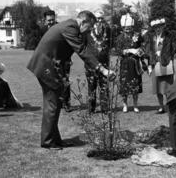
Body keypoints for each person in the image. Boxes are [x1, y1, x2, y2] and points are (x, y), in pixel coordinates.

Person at [27, 10, 116, 150]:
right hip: (45, 66)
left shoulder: (70, 26)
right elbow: (82, 50)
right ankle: (48, 141)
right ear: (83, 22)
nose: (91, 30)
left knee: (55, 103)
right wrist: (102, 69)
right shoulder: (71, 28)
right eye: (90, 26)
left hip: (47, 66)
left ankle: (55, 139)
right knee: (52, 104)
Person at [144, 18, 176, 114]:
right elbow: (147, 50)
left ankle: (169, 105)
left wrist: (164, 53)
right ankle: (161, 106)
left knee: (168, 87)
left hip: (166, 62)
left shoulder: (170, 36)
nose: (158, 29)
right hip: (155, 64)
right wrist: (151, 59)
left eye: (160, 26)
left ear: (163, 26)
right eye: (155, 27)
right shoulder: (151, 37)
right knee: (157, 87)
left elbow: (174, 49)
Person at [85, 10, 111, 113]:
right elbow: (83, 45)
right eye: (98, 18)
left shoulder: (108, 29)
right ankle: (91, 109)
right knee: (91, 86)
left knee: (104, 86)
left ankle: (105, 108)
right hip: (91, 63)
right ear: (94, 19)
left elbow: (110, 43)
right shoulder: (87, 30)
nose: (99, 20)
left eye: (101, 18)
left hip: (104, 63)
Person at [116, 25, 146, 113]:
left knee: (135, 83)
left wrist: (138, 51)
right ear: (123, 27)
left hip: (135, 63)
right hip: (125, 63)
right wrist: (129, 50)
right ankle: (125, 105)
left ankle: (135, 105)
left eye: (129, 27)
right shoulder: (120, 37)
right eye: (126, 27)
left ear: (132, 27)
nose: (127, 29)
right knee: (124, 84)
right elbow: (118, 50)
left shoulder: (137, 36)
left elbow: (143, 47)